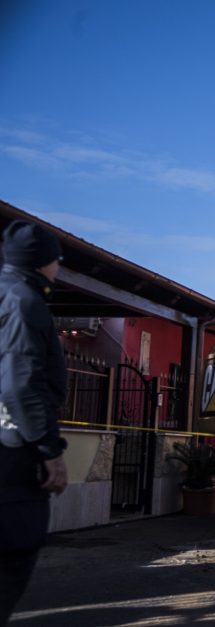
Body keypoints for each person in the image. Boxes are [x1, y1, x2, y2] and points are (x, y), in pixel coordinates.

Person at [0, 220, 69, 625]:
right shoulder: (24, 301)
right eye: (56, 260)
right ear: (44, 261)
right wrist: (49, 449)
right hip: (14, 452)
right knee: (13, 553)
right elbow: (21, 382)